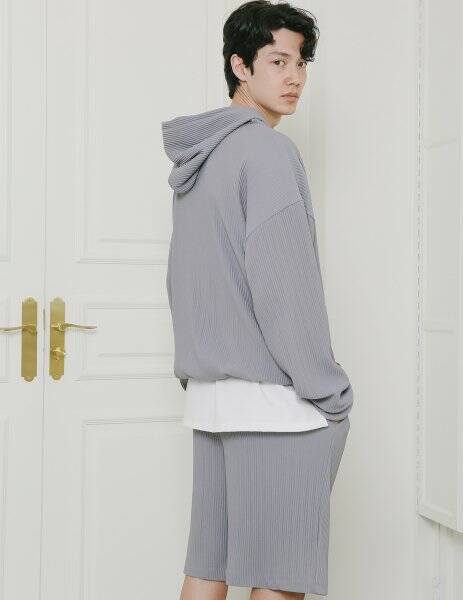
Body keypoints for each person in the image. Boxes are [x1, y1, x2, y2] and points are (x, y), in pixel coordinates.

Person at [161, 2, 354, 598]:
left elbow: (183, 279)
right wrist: (328, 390)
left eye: (301, 63)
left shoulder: (201, 160)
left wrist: (198, 371)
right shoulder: (268, 152)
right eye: (277, 61)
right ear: (239, 66)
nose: (294, 77)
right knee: (278, 576)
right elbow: (283, 286)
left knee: (208, 566)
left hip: (213, 397)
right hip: (274, 403)